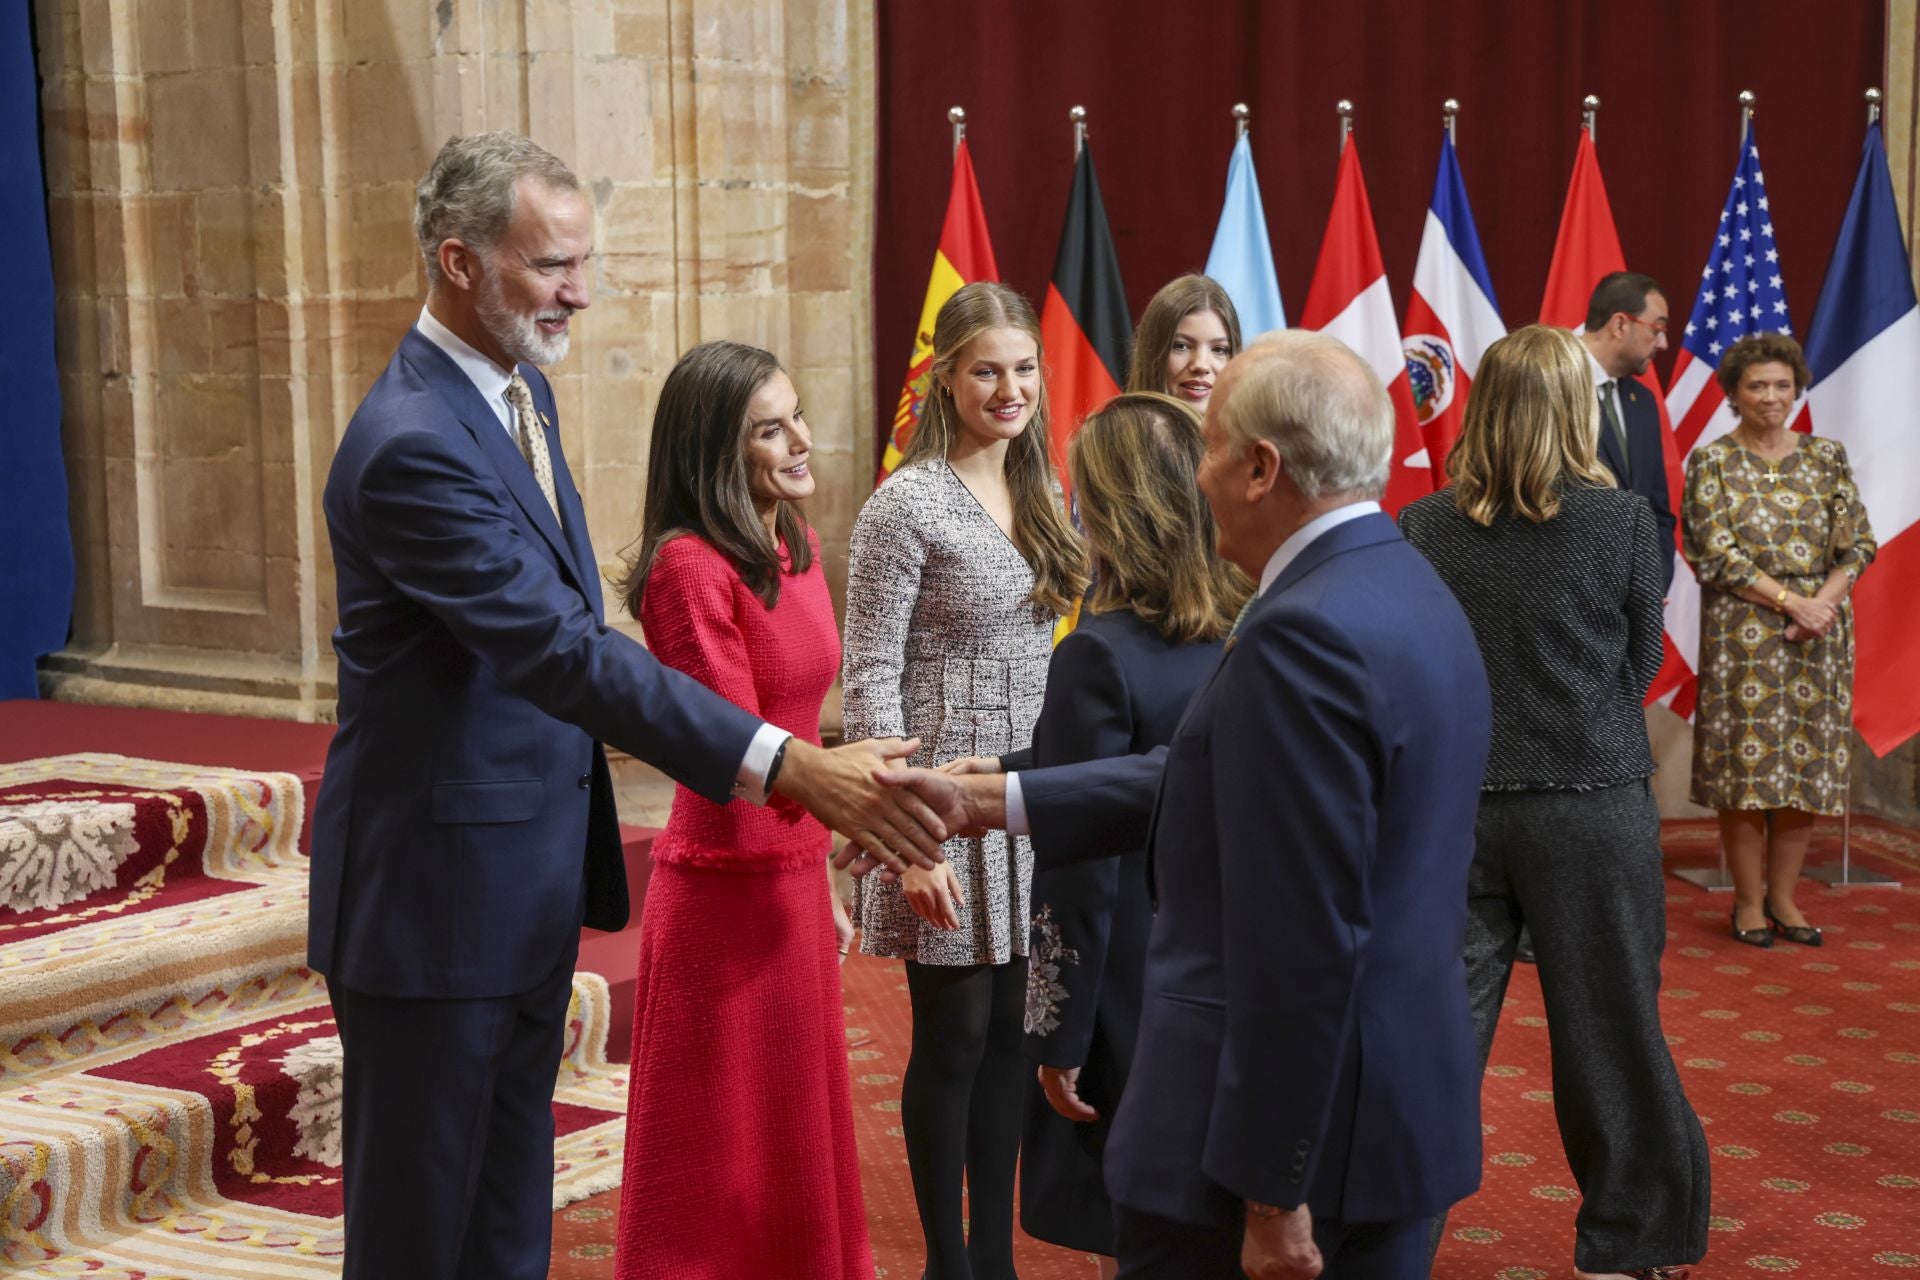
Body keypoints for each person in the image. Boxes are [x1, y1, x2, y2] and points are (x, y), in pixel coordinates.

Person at [309, 133, 943, 1280]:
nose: (580, 292)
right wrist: (790, 764)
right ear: (457, 262)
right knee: (418, 1233)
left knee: (505, 1218)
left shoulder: (520, 394)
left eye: (584, 260)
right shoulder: (409, 444)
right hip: (429, 898)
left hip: (517, 881)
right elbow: (559, 650)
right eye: (552, 266)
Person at [860, 330, 1496, 1280]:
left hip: (1276, 1145)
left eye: (1207, 450)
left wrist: (1273, 1194)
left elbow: (1302, 940)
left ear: (1260, 467)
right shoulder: (1402, 584)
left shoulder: (1301, 634)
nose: (1192, 479)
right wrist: (984, 800)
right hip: (1394, 1107)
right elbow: (1220, 777)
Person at [1400, 325, 1708, 1280]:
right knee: (1610, 1029)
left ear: (1483, 406)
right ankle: (1629, 1244)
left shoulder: (1419, 525)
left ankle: (1388, 1239)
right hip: (1592, 801)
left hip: (1456, 813)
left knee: (1430, 1035)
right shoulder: (1623, 525)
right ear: (1577, 411)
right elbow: (1639, 665)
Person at [949, 392, 1247, 1276]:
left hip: (1124, 991)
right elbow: (1143, 766)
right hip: (1219, 966)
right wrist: (1005, 770)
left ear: (1108, 513)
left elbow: (1076, 869)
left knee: (1138, 1231)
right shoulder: (1240, 629)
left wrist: (1058, 1038)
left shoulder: (1096, 652)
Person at [608, 342, 869, 1277]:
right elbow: (725, 744)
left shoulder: (788, 538)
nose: (803, 440)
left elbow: (800, 718)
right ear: (717, 450)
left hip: (791, 876)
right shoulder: (687, 566)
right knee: (718, 1165)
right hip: (722, 891)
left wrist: (821, 872)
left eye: (797, 415)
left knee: (797, 1137)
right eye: (771, 428)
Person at [843, 280, 1086, 1279]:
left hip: (1028, 795)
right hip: (940, 800)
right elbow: (866, 678)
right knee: (954, 1037)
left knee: (1011, 1043)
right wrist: (902, 836)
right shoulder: (906, 501)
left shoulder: (1046, 487)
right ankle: (950, 1260)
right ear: (945, 376)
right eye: (989, 368)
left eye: (1025, 369)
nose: (1011, 387)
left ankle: (997, 1254)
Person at [1682, 331, 1875, 947]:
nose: (1771, 396)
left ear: (1798, 389)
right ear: (1734, 393)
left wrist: (1822, 605)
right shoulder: (1712, 461)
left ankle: (1786, 900)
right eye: (1757, 385)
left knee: (1806, 767)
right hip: (1746, 633)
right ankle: (1746, 903)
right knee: (1747, 769)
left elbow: (1860, 543)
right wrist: (1792, 601)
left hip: (1820, 632)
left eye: (1782, 385)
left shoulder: (1828, 456)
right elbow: (1714, 553)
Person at [1580, 270, 1678, 589]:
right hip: (1567, 596)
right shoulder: (1548, 382)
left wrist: (1656, 582)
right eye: (1657, 328)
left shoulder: (1643, 401)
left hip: (1631, 603)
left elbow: (1656, 508)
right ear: (1620, 324)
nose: (1663, 343)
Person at [1126, 273, 1243, 412]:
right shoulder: (1114, 433)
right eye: (1181, 346)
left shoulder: (1258, 432)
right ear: (1151, 353)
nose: (1201, 365)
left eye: (1219, 349)